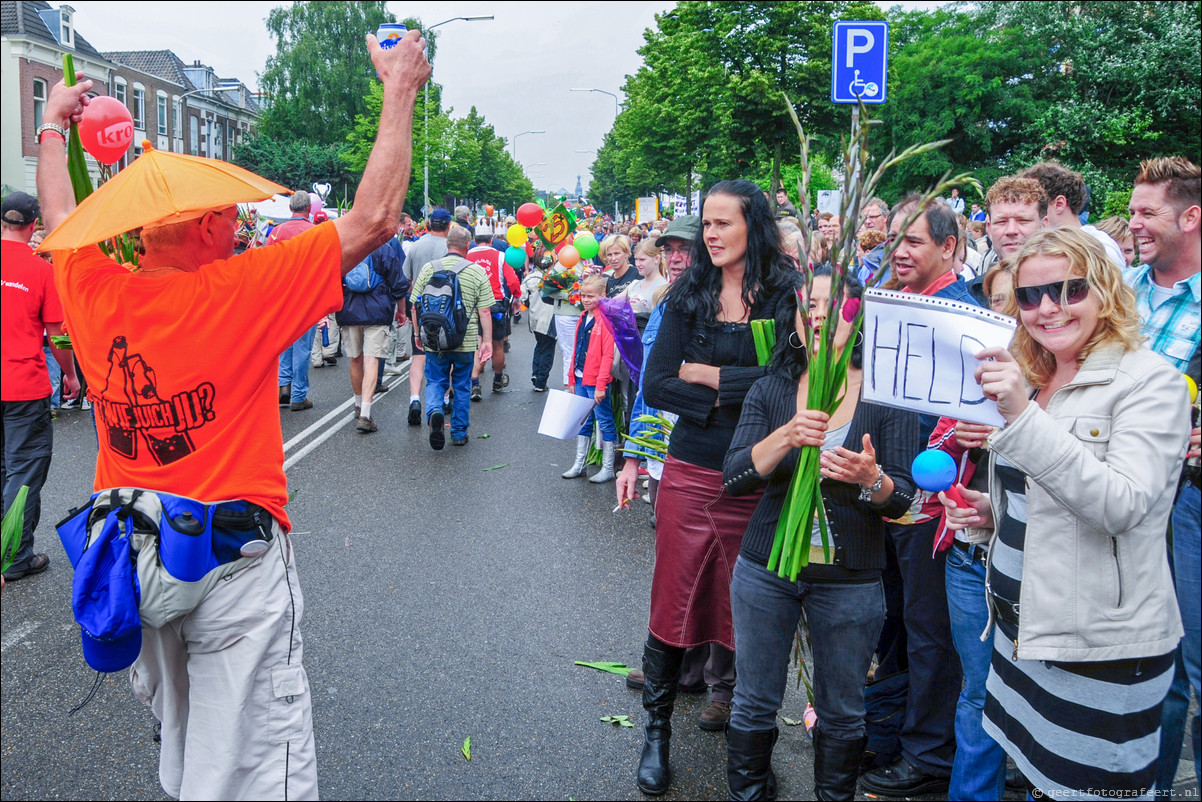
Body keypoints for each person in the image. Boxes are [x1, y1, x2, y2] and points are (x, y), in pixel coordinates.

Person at [35, 27, 430, 800]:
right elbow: (377, 216)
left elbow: (61, 224)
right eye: (230, 215)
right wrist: (400, 87)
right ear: (212, 225)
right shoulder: (241, 291)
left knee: (185, 742)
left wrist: (53, 124)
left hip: (138, 552)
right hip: (230, 561)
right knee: (254, 758)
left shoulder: (93, 290)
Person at [939, 227, 1189, 799]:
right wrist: (991, 514)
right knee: (1038, 783)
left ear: (1105, 290)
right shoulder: (1040, 376)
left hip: (1097, 648)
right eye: (1030, 296)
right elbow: (1047, 497)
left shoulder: (1150, 383)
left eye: (1069, 289)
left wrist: (1022, 417)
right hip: (1024, 636)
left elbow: (1120, 506)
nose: (1048, 308)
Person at [723, 267, 919, 800]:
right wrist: (786, 435)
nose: (818, 314)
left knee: (842, 708)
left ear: (859, 318)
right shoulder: (773, 387)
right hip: (767, 570)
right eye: (808, 304)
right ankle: (749, 793)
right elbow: (735, 477)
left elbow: (904, 500)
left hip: (851, 577)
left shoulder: (885, 396)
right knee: (755, 700)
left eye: (834, 305)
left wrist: (869, 479)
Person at [635, 180, 800, 796]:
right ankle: (656, 732)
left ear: (752, 225)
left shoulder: (786, 294)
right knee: (673, 599)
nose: (709, 234)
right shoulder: (689, 293)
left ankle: (751, 740)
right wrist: (741, 397)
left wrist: (710, 376)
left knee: (754, 609)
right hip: (694, 470)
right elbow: (657, 386)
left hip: (762, 475)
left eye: (722, 223)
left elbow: (793, 376)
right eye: (705, 223)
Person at [859, 194, 976, 799]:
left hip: (931, 508)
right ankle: (899, 733)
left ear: (948, 247)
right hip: (890, 496)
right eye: (894, 239)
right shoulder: (899, 304)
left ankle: (930, 755)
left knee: (931, 631)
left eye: (913, 241)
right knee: (903, 625)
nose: (897, 251)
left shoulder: (962, 316)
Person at [1123, 157, 1201, 796]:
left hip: (1188, 505)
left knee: (1191, 670)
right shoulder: (1119, 287)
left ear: (1191, 217)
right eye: (1132, 210)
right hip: (1119, 505)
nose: (1135, 222)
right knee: (1148, 665)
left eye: (1147, 212)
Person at [1, 192, 80, 582]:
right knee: (24, 472)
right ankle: (14, 557)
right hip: (22, 387)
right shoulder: (39, 270)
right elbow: (57, 335)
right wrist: (70, 374)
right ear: (35, 225)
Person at [409, 225, 494, 449]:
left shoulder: (429, 268)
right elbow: (485, 310)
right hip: (464, 341)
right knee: (462, 384)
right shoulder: (477, 271)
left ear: (447, 244)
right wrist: (486, 341)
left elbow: (415, 305)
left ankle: (435, 411)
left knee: (436, 380)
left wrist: (418, 333)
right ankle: (458, 432)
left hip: (435, 339)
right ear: (468, 246)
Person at [336, 239, 407, 433]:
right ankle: (366, 414)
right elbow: (398, 284)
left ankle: (358, 404)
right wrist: (401, 311)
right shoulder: (383, 250)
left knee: (355, 359)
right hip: (377, 311)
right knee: (372, 361)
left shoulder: (347, 248)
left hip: (349, 310)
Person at [561, 275, 619, 482]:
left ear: (603, 296)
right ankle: (580, 464)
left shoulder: (605, 320)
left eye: (591, 296)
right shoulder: (583, 316)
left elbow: (607, 356)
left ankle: (608, 467)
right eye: (583, 295)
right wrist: (570, 378)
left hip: (595, 381)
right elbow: (576, 349)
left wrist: (601, 384)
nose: (585, 299)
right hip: (579, 377)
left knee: (604, 421)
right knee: (583, 422)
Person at [1021, 161, 1126, 269]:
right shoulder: (1032, 245)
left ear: (1059, 204)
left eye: (1033, 200)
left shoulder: (1099, 247)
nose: (1024, 209)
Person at [267, 190, 317, 411]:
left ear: (290, 208)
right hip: (306, 297)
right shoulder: (316, 233)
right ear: (309, 208)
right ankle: (298, 394)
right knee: (303, 347)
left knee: (284, 345)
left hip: (282, 297)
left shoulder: (276, 233)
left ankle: (283, 388)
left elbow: (266, 265)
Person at [402, 208, 450, 425]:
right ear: (448, 226)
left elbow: (408, 279)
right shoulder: (452, 248)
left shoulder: (416, 246)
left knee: (419, 355)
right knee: (445, 355)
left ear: (430, 224)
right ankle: (444, 399)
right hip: (446, 307)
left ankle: (415, 399)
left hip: (420, 305)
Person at [466, 223, 520, 397]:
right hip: (495, 304)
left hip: (472, 304)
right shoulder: (501, 256)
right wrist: (517, 297)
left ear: (474, 240)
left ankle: (475, 384)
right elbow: (512, 281)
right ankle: (497, 380)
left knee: (475, 345)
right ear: (491, 239)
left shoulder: (465, 256)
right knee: (497, 345)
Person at [521, 249, 557, 392]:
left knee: (540, 345)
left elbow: (522, 297)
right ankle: (541, 381)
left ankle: (536, 373)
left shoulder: (530, 278)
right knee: (548, 349)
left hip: (535, 317)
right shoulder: (555, 278)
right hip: (549, 318)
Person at [621, 240, 668, 332]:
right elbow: (611, 304)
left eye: (642, 260)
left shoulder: (663, 288)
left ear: (656, 259)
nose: (638, 264)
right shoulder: (634, 284)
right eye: (636, 259)